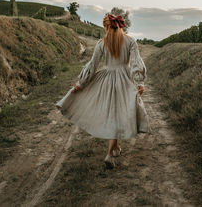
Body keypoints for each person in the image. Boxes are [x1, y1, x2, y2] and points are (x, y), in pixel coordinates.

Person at [56, 14, 151, 169]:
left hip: (107, 79)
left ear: (106, 27)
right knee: (120, 113)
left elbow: (92, 65)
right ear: (120, 26)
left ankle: (115, 149)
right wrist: (139, 82)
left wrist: (81, 83)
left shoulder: (102, 43)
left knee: (113, 114)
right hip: (125, 79)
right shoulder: (130, 41)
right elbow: (135, 62)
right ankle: (109, 153)